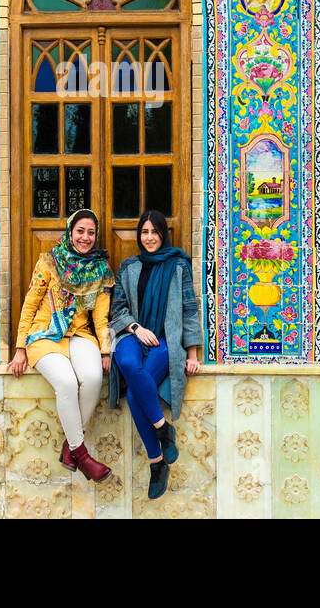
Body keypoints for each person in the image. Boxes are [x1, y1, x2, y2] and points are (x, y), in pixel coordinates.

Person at [7, 209, 115, 482]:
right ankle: (83, 455)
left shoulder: (100, 269)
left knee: (91, 378)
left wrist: (105, 349)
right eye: (80, 231)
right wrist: (20, 348)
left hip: (79, 335)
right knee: (66, 383)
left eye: (91, 233)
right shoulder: (49, 262)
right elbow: (31, 302)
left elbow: (101, 316)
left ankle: (70, 448)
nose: (85, 238)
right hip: (43, 336)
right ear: (70, 231)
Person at [108, 210, 201, 499]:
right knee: (125, 362)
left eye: (154, 232)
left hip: (164, 340)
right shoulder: (128, 267)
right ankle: (163, 429)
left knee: (137, 394)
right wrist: (135, 328)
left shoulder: (178, 266)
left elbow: (189, 309)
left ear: (163, 234)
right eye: (144, 232)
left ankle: (156, 463)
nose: (149, 238)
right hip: (132, 335)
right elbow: (117, 309)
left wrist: (192, 353)